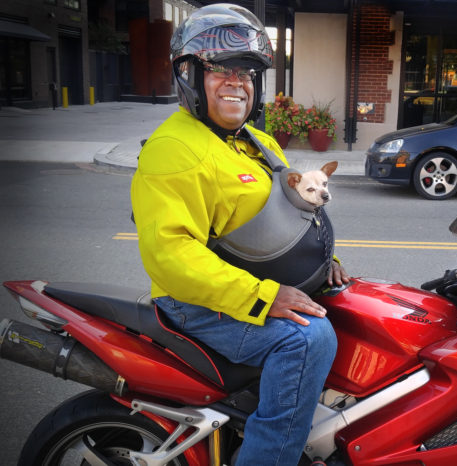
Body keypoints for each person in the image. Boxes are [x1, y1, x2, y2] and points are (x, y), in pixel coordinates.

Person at [130, 4, 349, 465]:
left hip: (250, 289)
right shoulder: (175, 149)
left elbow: (291, 210)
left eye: (246, 71)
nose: (236, 81)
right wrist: (266, 297)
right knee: (308, 339)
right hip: (198, 305)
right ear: (189, 76)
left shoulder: (255, 140)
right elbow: (170, 254)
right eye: (218, 69)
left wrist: (320, 261)